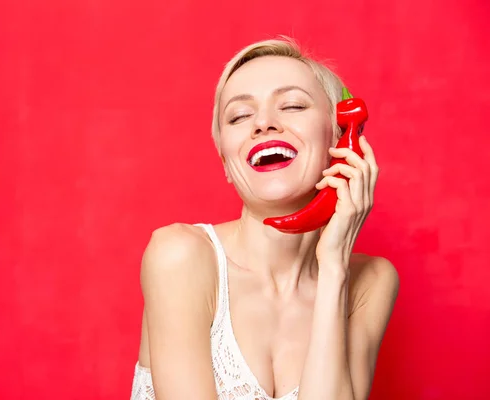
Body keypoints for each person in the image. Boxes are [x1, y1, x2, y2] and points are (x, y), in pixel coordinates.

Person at [129, 37, 399, 400]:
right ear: (226, 162)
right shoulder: (180, 256)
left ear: (340, 137)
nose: (263, 123)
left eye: (292, 105)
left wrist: (334, 266)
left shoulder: (370, 283)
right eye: (239, 116)